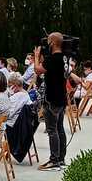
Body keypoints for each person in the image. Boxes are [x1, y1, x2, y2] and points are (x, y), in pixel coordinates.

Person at [33, 33, 75, 170]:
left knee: (52, 130)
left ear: (52, 43)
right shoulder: (64, 58)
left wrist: (36, 56)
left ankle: (54, 160)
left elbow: (37, 70)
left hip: (52, 98)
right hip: (61, 98)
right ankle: (61, 159)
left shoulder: (53, 58)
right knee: (59, 128)